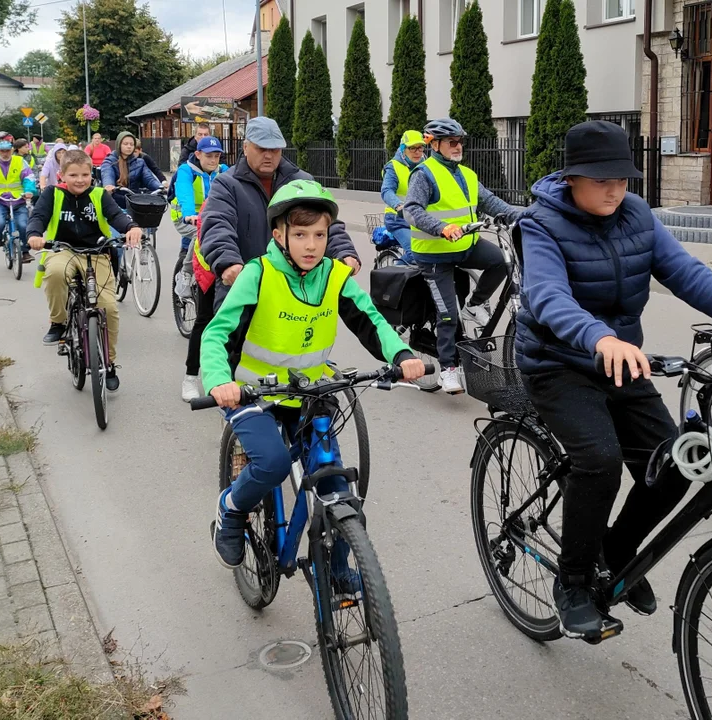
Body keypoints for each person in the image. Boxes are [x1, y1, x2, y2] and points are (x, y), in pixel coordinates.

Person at [516, 120, 712, 640]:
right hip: (557, 362)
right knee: (599, 460)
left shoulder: (637, 216)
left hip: (622, 362)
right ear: (571, 177)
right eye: (601, 179)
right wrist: (599, 337)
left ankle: (615, 552)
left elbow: (689, 275)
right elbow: (547, 296)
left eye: (622, 179)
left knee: (676, 462)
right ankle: (574, 581)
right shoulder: (540, 224)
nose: (614, 189)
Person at [201, 179, 425, 569]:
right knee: (270, 464)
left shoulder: (334, 276)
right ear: (279, 235)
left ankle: (339, 573)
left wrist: (402, 354)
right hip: (255, 394)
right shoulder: (259, 274)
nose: (311, 245)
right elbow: (218, 333)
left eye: (319, 234)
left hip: (312, 394)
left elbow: (370, 321)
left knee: (336, 488)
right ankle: (231, 508)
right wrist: (220, 380)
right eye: (300, 234)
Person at [402, 117, 523, 394]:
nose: (458, 147)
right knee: (447, 316)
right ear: (436, 145)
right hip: (434, 255)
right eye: (452, 142)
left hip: (465, 246)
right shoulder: (424, 174)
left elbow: (491, 202)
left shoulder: (467, 174)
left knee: (502, 262)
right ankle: (448, 370)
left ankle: (475, 304)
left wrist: (526, 217)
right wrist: (441, 227)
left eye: (460, 142)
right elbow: (412, 210)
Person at [199, 117, 360, 313]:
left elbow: (326, 224)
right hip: (245, 288)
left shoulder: (302, 182)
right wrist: (228, 263)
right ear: (246, 147)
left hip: (296, 290)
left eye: (274, 149)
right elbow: (217, 225)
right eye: (261, 148)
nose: (268, 155)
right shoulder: (226, 184)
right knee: (227, 340)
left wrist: (345, 252)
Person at [26, 150, 142, 391]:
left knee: (108, 308)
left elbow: (116, 216)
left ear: (93, 174)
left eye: (85, 174)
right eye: (74, 175)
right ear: (62, 175)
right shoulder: (53, 193)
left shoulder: (99, 195)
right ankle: (58, 322)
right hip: (63, 249)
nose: (80, 180)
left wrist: (131, 227)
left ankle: (108, 363)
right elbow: (38, 216)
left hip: (97, 252)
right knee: (56, 274)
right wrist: (34, 235)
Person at [173, 136, 229, 402]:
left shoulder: (226, 175)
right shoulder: (187, 171)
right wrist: (188, 212)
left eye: (217, 155)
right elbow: (183, 193)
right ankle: (190, 377)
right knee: (205, 319)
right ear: (198, 154)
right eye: (209, 155)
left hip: (233, 253)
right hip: (197, 229)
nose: (214, 159)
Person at [380, 130, 427, 265]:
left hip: (420, 219)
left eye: (420, 147)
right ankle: (394, 276)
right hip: (398, 219)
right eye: (412, 148)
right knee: (414, 253)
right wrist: (398, 205)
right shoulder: (393, 167)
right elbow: (387, 190)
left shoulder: (427, 166)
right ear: (403, 149)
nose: (417, 152)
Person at [0, 138, 35, 256]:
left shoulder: (20, 161)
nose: (5, 153)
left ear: (12, 150)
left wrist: (28, 191)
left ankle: (25, 251)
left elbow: (29, 177)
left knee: (23, 225)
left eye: (7, 151)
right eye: (2, 151)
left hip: (19, 199)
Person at [100, 131, 162, 211]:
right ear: (119, 145)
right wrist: (109, 185)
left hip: (135, 203)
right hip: (115, 203)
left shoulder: (140, 162)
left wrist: (160, 187)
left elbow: (149, 179)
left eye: (131, 144)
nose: (129, 146)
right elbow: (107, 174)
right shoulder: (110, 162)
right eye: (125, 144)